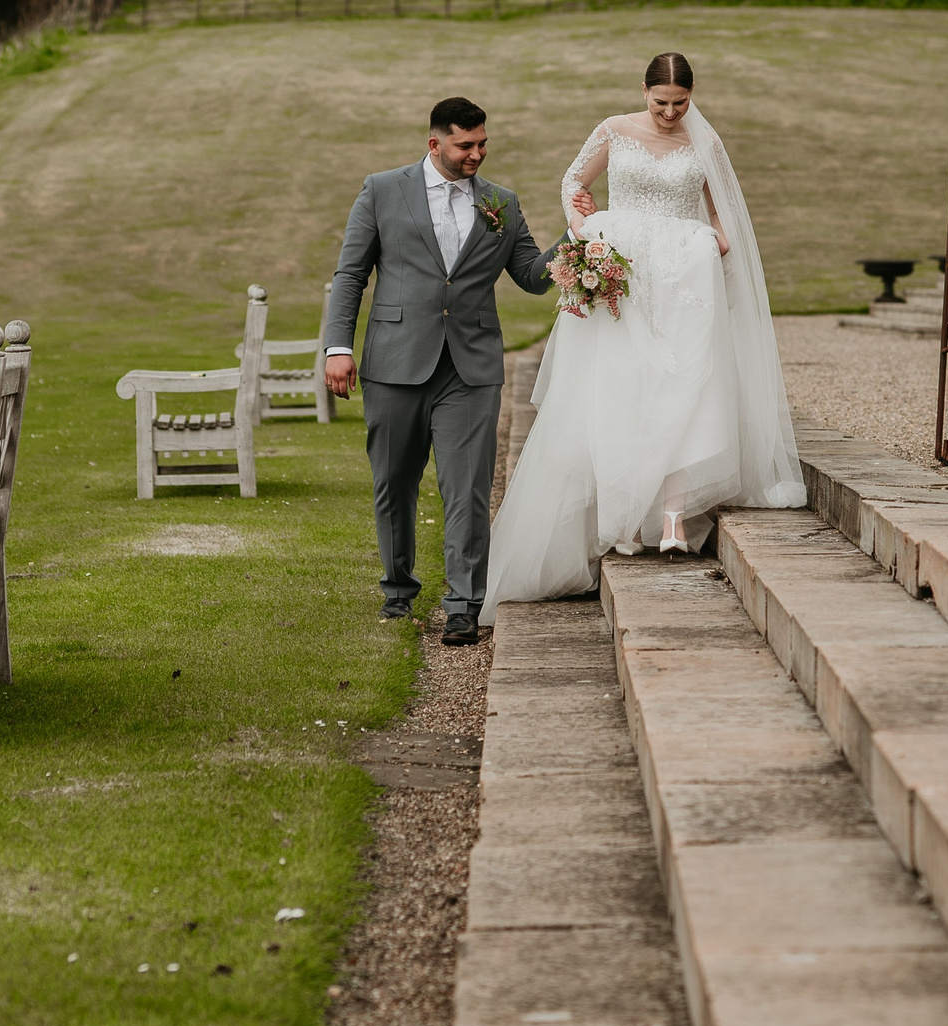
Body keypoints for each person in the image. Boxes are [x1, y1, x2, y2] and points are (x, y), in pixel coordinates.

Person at [483, 52, 803, 619]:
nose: (670, 113)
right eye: (661, 103)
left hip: (683, 271)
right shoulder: (614, 129)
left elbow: (721, 205)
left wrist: (720, 240)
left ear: (692, 96)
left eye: (680, 104)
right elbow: (573, 180)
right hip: (625, 267)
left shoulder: (705, 143)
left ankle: (675, 514)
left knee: (684, 381)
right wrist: (584, 228)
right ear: (644, 91)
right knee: (622, 383)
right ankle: (625, 514)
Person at [325, 97, 553, 646]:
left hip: (471, 367)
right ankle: (398, 591)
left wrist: (582, 234)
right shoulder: (382, 190)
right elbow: (350, 273)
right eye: (465, 145)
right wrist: (338, 346)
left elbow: (532, 276)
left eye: (482, 144)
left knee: (468, 489)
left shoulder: (502, 201)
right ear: (435, 144)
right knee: (394, 482)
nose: (476, 154)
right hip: (395, 362)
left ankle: (463, 604)